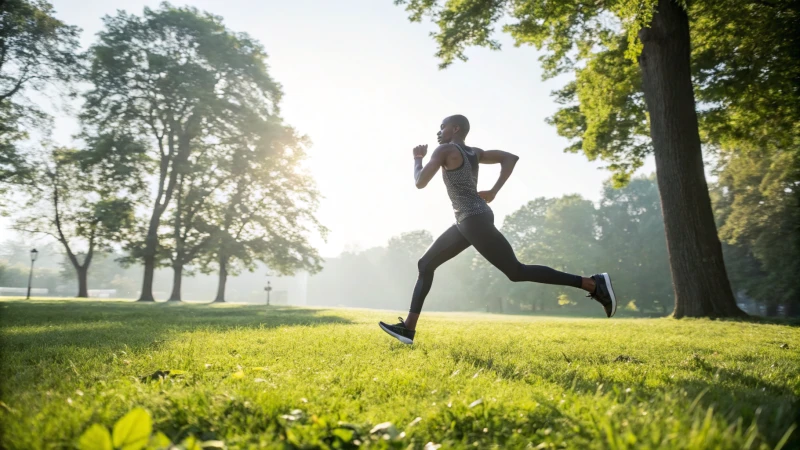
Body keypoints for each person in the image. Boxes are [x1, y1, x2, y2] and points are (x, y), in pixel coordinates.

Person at [379, 115, 617, 345]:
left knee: (516, 271)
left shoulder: (444, 151)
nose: (438, 132)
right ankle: (408, 328)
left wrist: (417, 158)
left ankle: (592, 284)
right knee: (426, 264)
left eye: (442, 127)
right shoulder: (474, 153)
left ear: (456, 129)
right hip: (469, 220)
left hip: (473, 220)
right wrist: (493, 191)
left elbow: (420, 182)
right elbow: (510, 158)